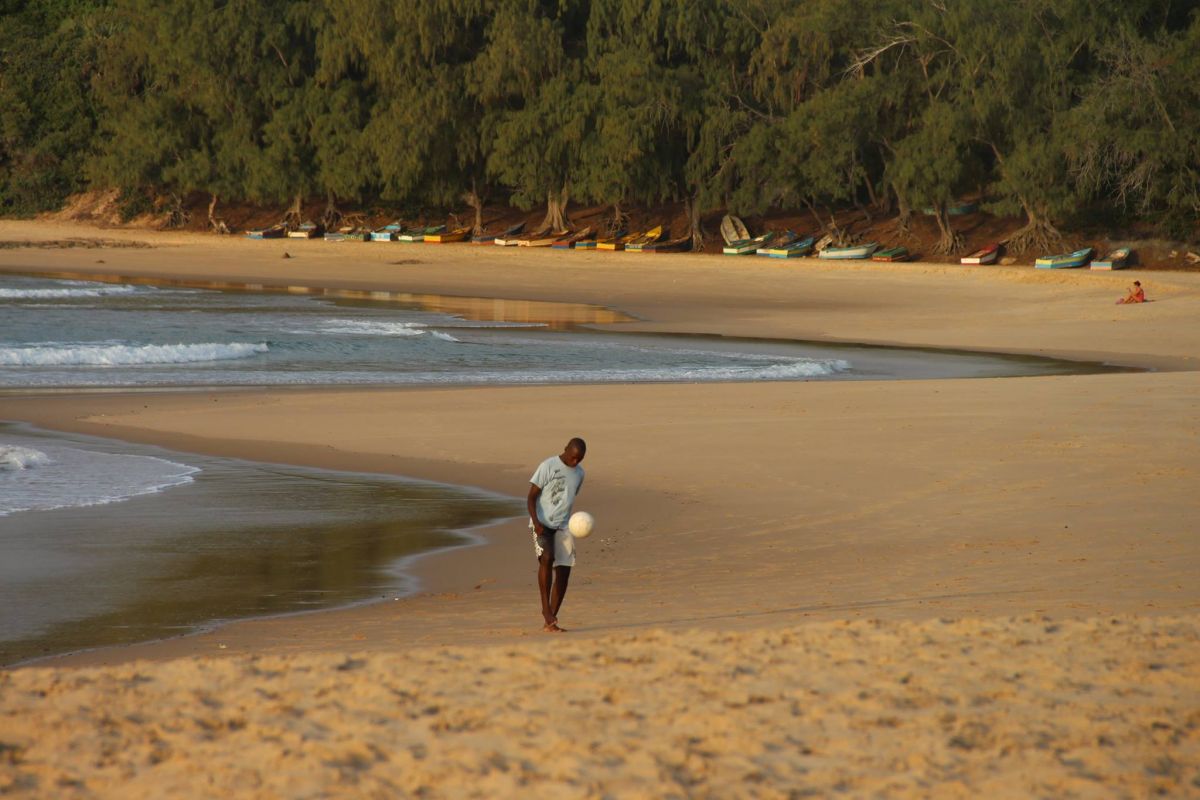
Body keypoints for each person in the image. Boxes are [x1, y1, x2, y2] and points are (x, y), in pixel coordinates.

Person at [527, 437, 586, 632]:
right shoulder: (548, 466)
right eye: (573, 457)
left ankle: (551, 622)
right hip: (542, 524)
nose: (575, 462)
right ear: (566, 449)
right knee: (547, 558)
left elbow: (567, 499)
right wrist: (536, 523)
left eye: (579, 459)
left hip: (563, 526)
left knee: (564, 572)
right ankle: (546, 611)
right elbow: (531, 496)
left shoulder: (579, 474)